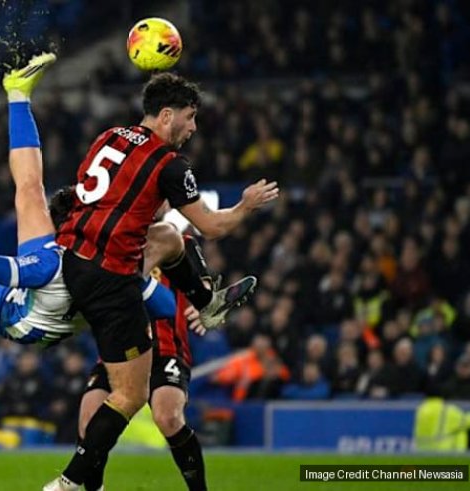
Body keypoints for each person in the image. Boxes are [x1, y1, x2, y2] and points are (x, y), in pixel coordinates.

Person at [0, 54, 249, 367]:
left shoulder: (48, 264)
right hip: (82, 282)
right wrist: (143, 278)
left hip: (17, 317)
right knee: (30, 191)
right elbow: (165, 306)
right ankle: (17, 94)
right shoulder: (116, 263)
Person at [46, 72, 279, 490]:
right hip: (113, 284)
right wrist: (245, 206)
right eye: (190, 117)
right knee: (126, 400)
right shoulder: (168, 164)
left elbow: (93, 199)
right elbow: (212, 225)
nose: (193, 128)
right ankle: (68, 485)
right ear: (167, 115)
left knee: (158, 413)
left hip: (76, 266)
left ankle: (206, 300)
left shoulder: (109, 137)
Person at [79, 235, 213, 491]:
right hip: (118, 351)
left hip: (165, 348)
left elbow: (204, 286)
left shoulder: (179, 241)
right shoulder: (109, 243)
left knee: (168, 417)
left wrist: (204, 304)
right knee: (87, 424)